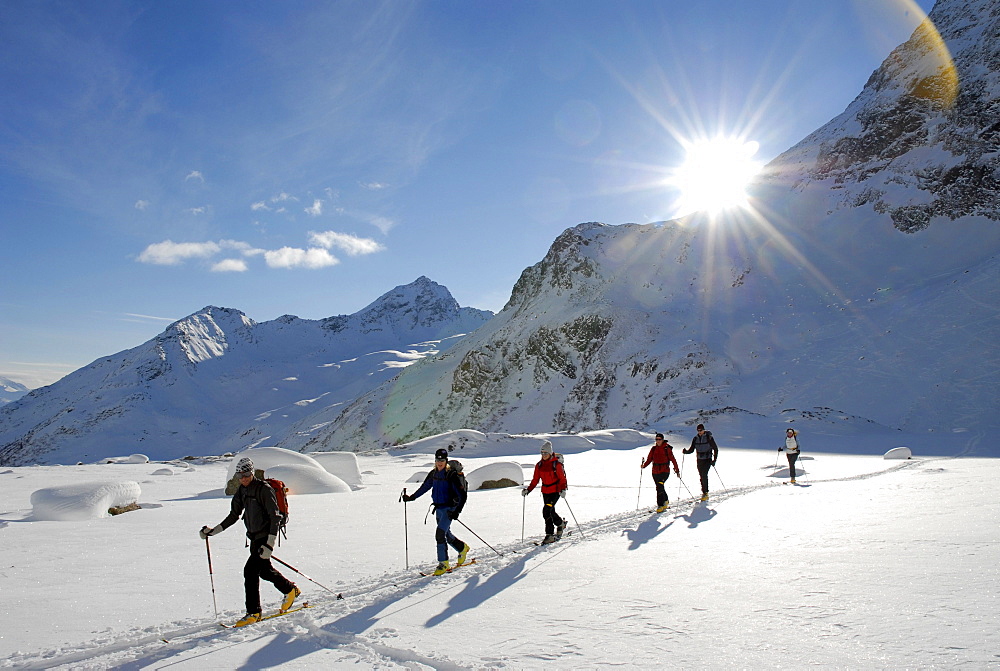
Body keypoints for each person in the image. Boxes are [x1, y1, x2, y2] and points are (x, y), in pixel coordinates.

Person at [199, 457, 299, 627]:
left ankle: (254, 612)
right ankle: (290, 590)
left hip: (265, 537)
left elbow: (275, 517)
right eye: (240, 475)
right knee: (265, 571)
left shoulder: (264, 489)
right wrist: (213, 531)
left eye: (246, 474)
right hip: (253, 538)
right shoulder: (242, 491)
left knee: (250, 572)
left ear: (252, 473)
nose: (243, 478)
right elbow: (234, 515)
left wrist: (269, 544)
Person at [402, 448, 469, 575]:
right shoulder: (434, 474)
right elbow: (425, 487)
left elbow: (462, 495)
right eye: (438, 460)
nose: (439, 462)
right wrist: (412, 497)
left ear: (446, 460)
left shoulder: (451, 475)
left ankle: (443, 564)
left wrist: (457, 511)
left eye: (442, 460)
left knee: (440, 534)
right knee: (446, 535)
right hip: (439, 508)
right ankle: (462, 548)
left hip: (449, 509)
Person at [522, 440, 568, 544]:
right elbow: (535, 480)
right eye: (542, 453)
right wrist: (528, 490)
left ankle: (549, 535)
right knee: (550, 511)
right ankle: (560, 524)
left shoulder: (557, 465)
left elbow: (562, 479)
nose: (543, 455)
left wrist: (563, 489)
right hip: (545, 492)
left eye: (545, 453)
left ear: (550, 453)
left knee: (546, 511)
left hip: (555, 491)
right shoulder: (539, 465)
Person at [641, 432, 680, 512]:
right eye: (657, 439)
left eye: (659, 439)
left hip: (664, 471)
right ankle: (666, 500)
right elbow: (649, 459)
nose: (658, 441)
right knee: (659, 487)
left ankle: (660, 505)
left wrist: (677, 470)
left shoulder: (667, 448)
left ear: (662, 440)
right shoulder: (653, 449)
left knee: (659, 486)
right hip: (655, 471)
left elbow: (673, 459)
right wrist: (644, 465)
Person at [683, 424, 719, 501]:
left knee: (704, 474)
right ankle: (704, 492)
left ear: (704, 430)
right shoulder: (695, 439)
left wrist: (714, 460)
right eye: (698, 430)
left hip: (707, 459)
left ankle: (705, 492)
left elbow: (715, 449)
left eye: (701, 430)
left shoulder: (709, 438)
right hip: (699, 460)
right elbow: (692, 450)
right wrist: (686, 452)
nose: (699, 432)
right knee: (701, 476)